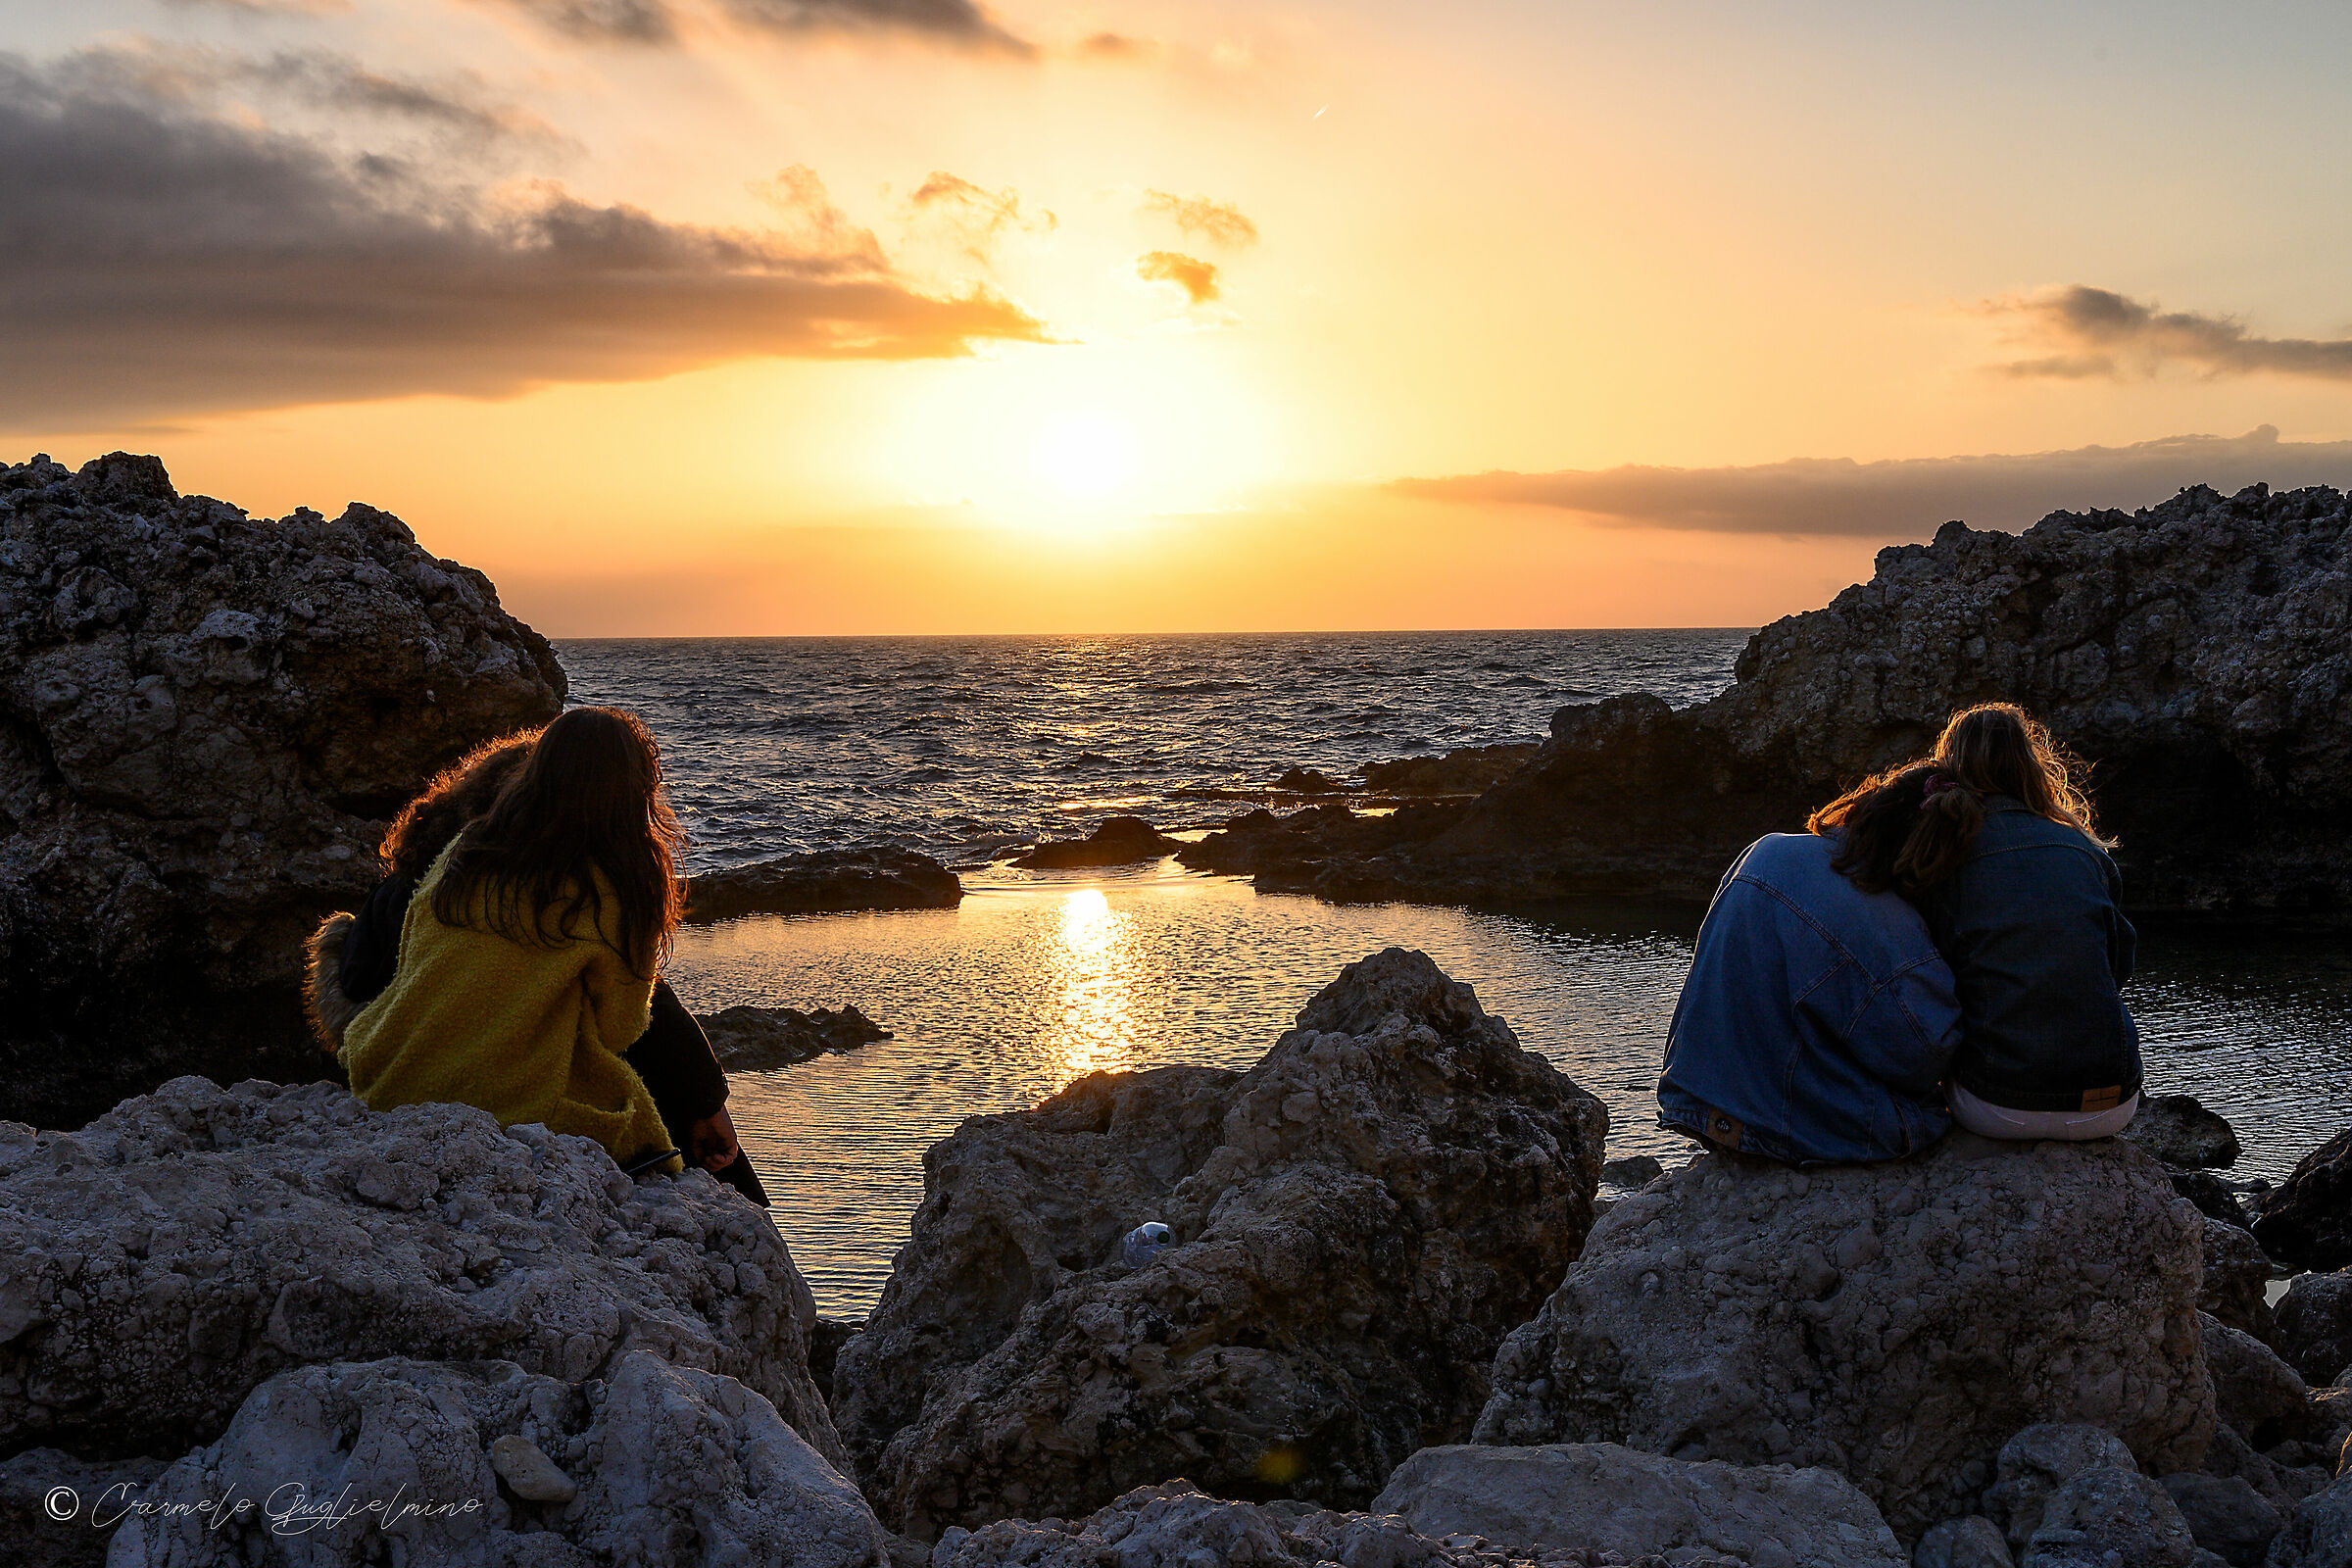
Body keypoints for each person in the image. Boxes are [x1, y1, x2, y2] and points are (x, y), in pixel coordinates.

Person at [330, 709, 763, 1194]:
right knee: (638, 1116)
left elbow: (410, 959)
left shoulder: (462, 852)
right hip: (502, 1106)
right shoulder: (607, 888)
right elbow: (621, 1026)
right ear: (636, 794)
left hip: (387, 1077)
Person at [1835, 703, 2141, 1140]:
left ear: (1952, 765)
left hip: (2001, 1105)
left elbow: (1922, 984)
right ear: (2031, 765)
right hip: (2111, 1103)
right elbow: (2117, 969)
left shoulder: (1939, 855)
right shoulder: (2083, 849)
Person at [1657, 761, 1964, 1165]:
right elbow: (1925, 1060)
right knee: (1944, 1114)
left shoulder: (1765, 850)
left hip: (1699, 1104)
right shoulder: (1889, 927)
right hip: (1778, 1126)